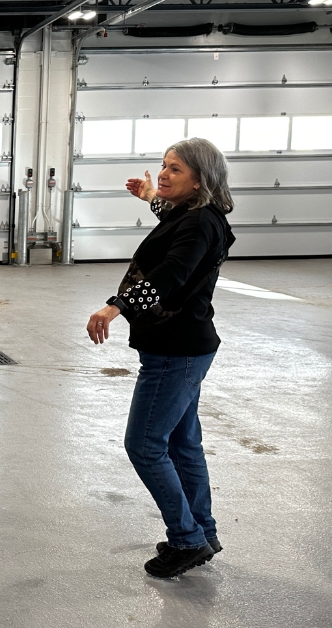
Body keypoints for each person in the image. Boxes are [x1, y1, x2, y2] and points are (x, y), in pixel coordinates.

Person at [86, 137, 236, 579]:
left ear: (200, 180)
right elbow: (176, 222)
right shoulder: (195, 215)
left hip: (176, 351)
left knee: (146, 445)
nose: (165, 174)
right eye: (164, 166)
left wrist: (117, 305)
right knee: (182, 444)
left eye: (175, 170)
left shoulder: (200, 224)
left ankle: (187, 539)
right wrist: (152, 196)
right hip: (181, 348)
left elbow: (172, 273)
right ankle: (202, 531)